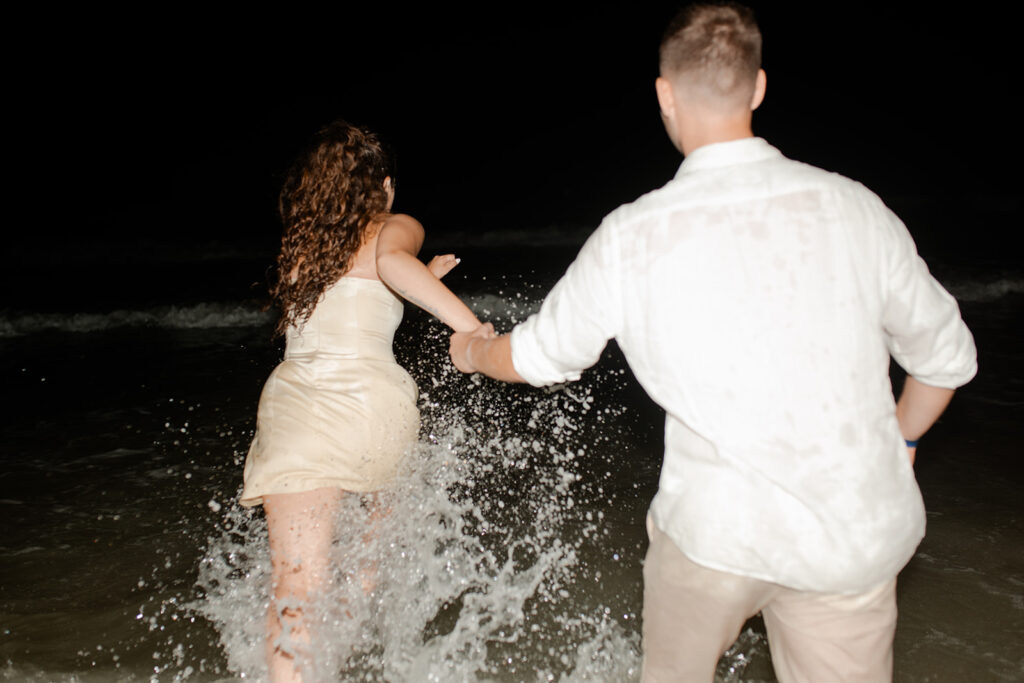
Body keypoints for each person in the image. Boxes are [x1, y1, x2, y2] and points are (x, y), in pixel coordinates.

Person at [449, 4, 977, 682]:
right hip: (852, 535)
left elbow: (537, 356)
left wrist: (470, 350)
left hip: (715, 537)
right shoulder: (854, 209)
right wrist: (900, 443)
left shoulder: (633, 234)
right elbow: (945, 358)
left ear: (664, 96)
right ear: (757, 88)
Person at [239, 120, 487, 682]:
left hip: (297, 406)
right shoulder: (396, 224)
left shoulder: (302, 244)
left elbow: (345, 302)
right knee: (367, 569)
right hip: (371, 407)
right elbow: (387, 266)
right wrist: (474, 331)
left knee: (296, 588)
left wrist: (415, 277)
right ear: (387, 186)